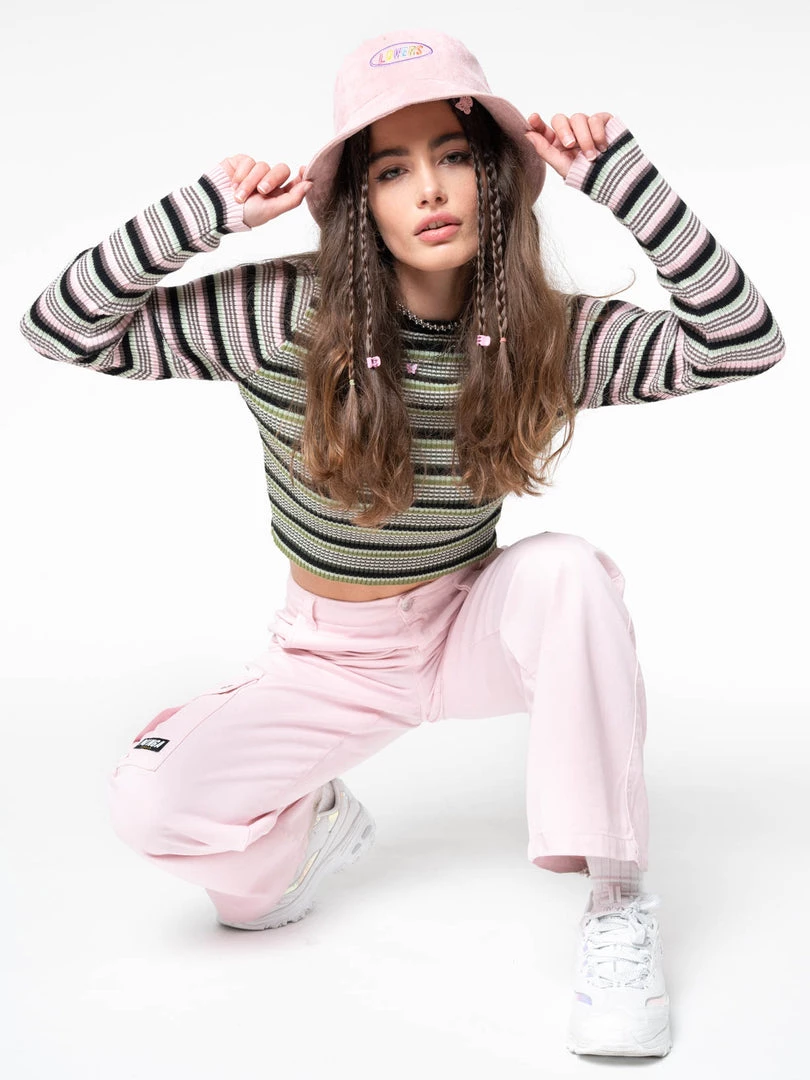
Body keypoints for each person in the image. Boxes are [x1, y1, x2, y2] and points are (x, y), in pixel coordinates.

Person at [19, 27, 785, 1059]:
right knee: (157, 811)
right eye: (391, 169)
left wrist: (624, 182)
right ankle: (309, 833)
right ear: (358, 200)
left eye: (455, 156)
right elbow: (61, 328)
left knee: (566, 571)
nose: (429, 189)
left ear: (496, 176)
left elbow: (741, 344)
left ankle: (616, 899)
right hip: (330, 658)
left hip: (471, 626)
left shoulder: (546, 337)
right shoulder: (279, 312)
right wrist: (201, 213)